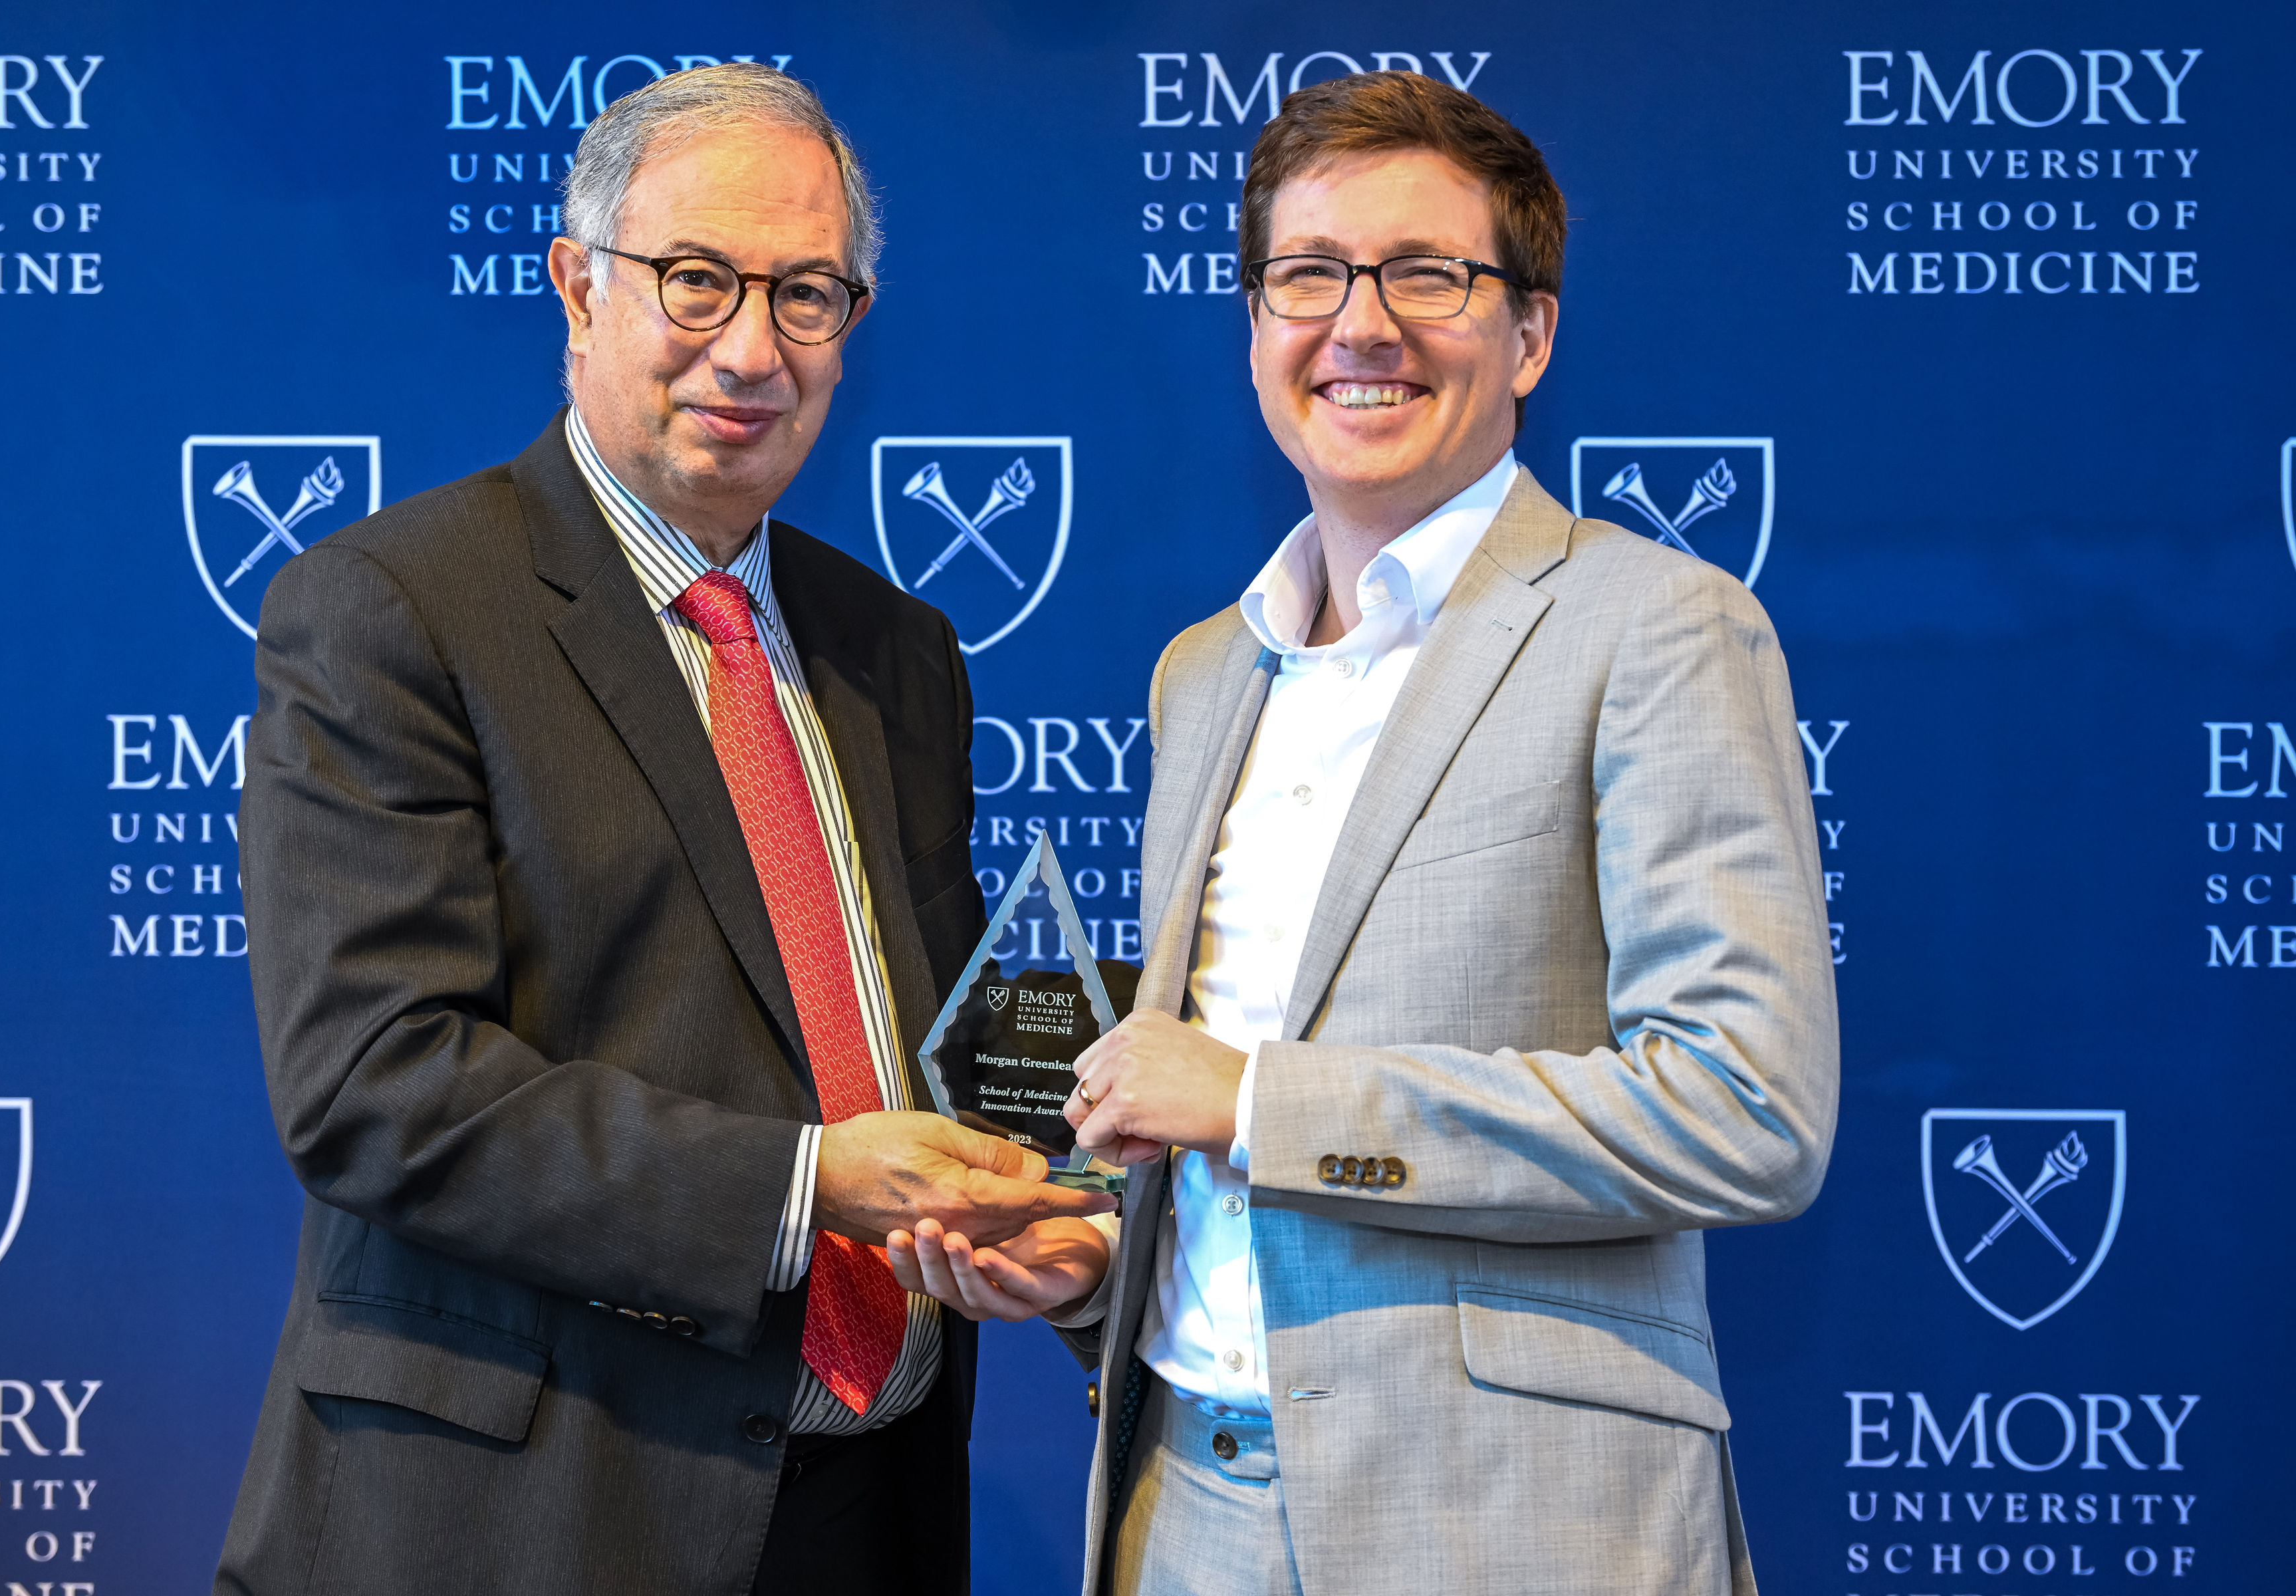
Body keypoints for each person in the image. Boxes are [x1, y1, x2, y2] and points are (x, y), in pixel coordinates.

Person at [889, 70, 1839, 1596]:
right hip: (1178, 1506)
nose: (1362, 323)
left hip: (1516, 1525)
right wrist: (1098, 1273)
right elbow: (1198, 1144)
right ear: (1256, 326)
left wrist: (1266, 1100)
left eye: (1427, 275)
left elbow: (1746, 1107)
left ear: (1530, 332)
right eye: (1310, 275)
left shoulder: (1659, 629)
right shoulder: (1203, 671)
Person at [217, 64, 1108, 1596]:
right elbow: (373, 1086)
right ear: (577, 287)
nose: (751, 350)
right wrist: (811, 1184)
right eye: (696, 282)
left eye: (808, 296)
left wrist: (1072, 1232)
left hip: (869, 1509)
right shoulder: (397, 607)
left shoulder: (896, 646)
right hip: (528, 1521)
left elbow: (960, 1046)